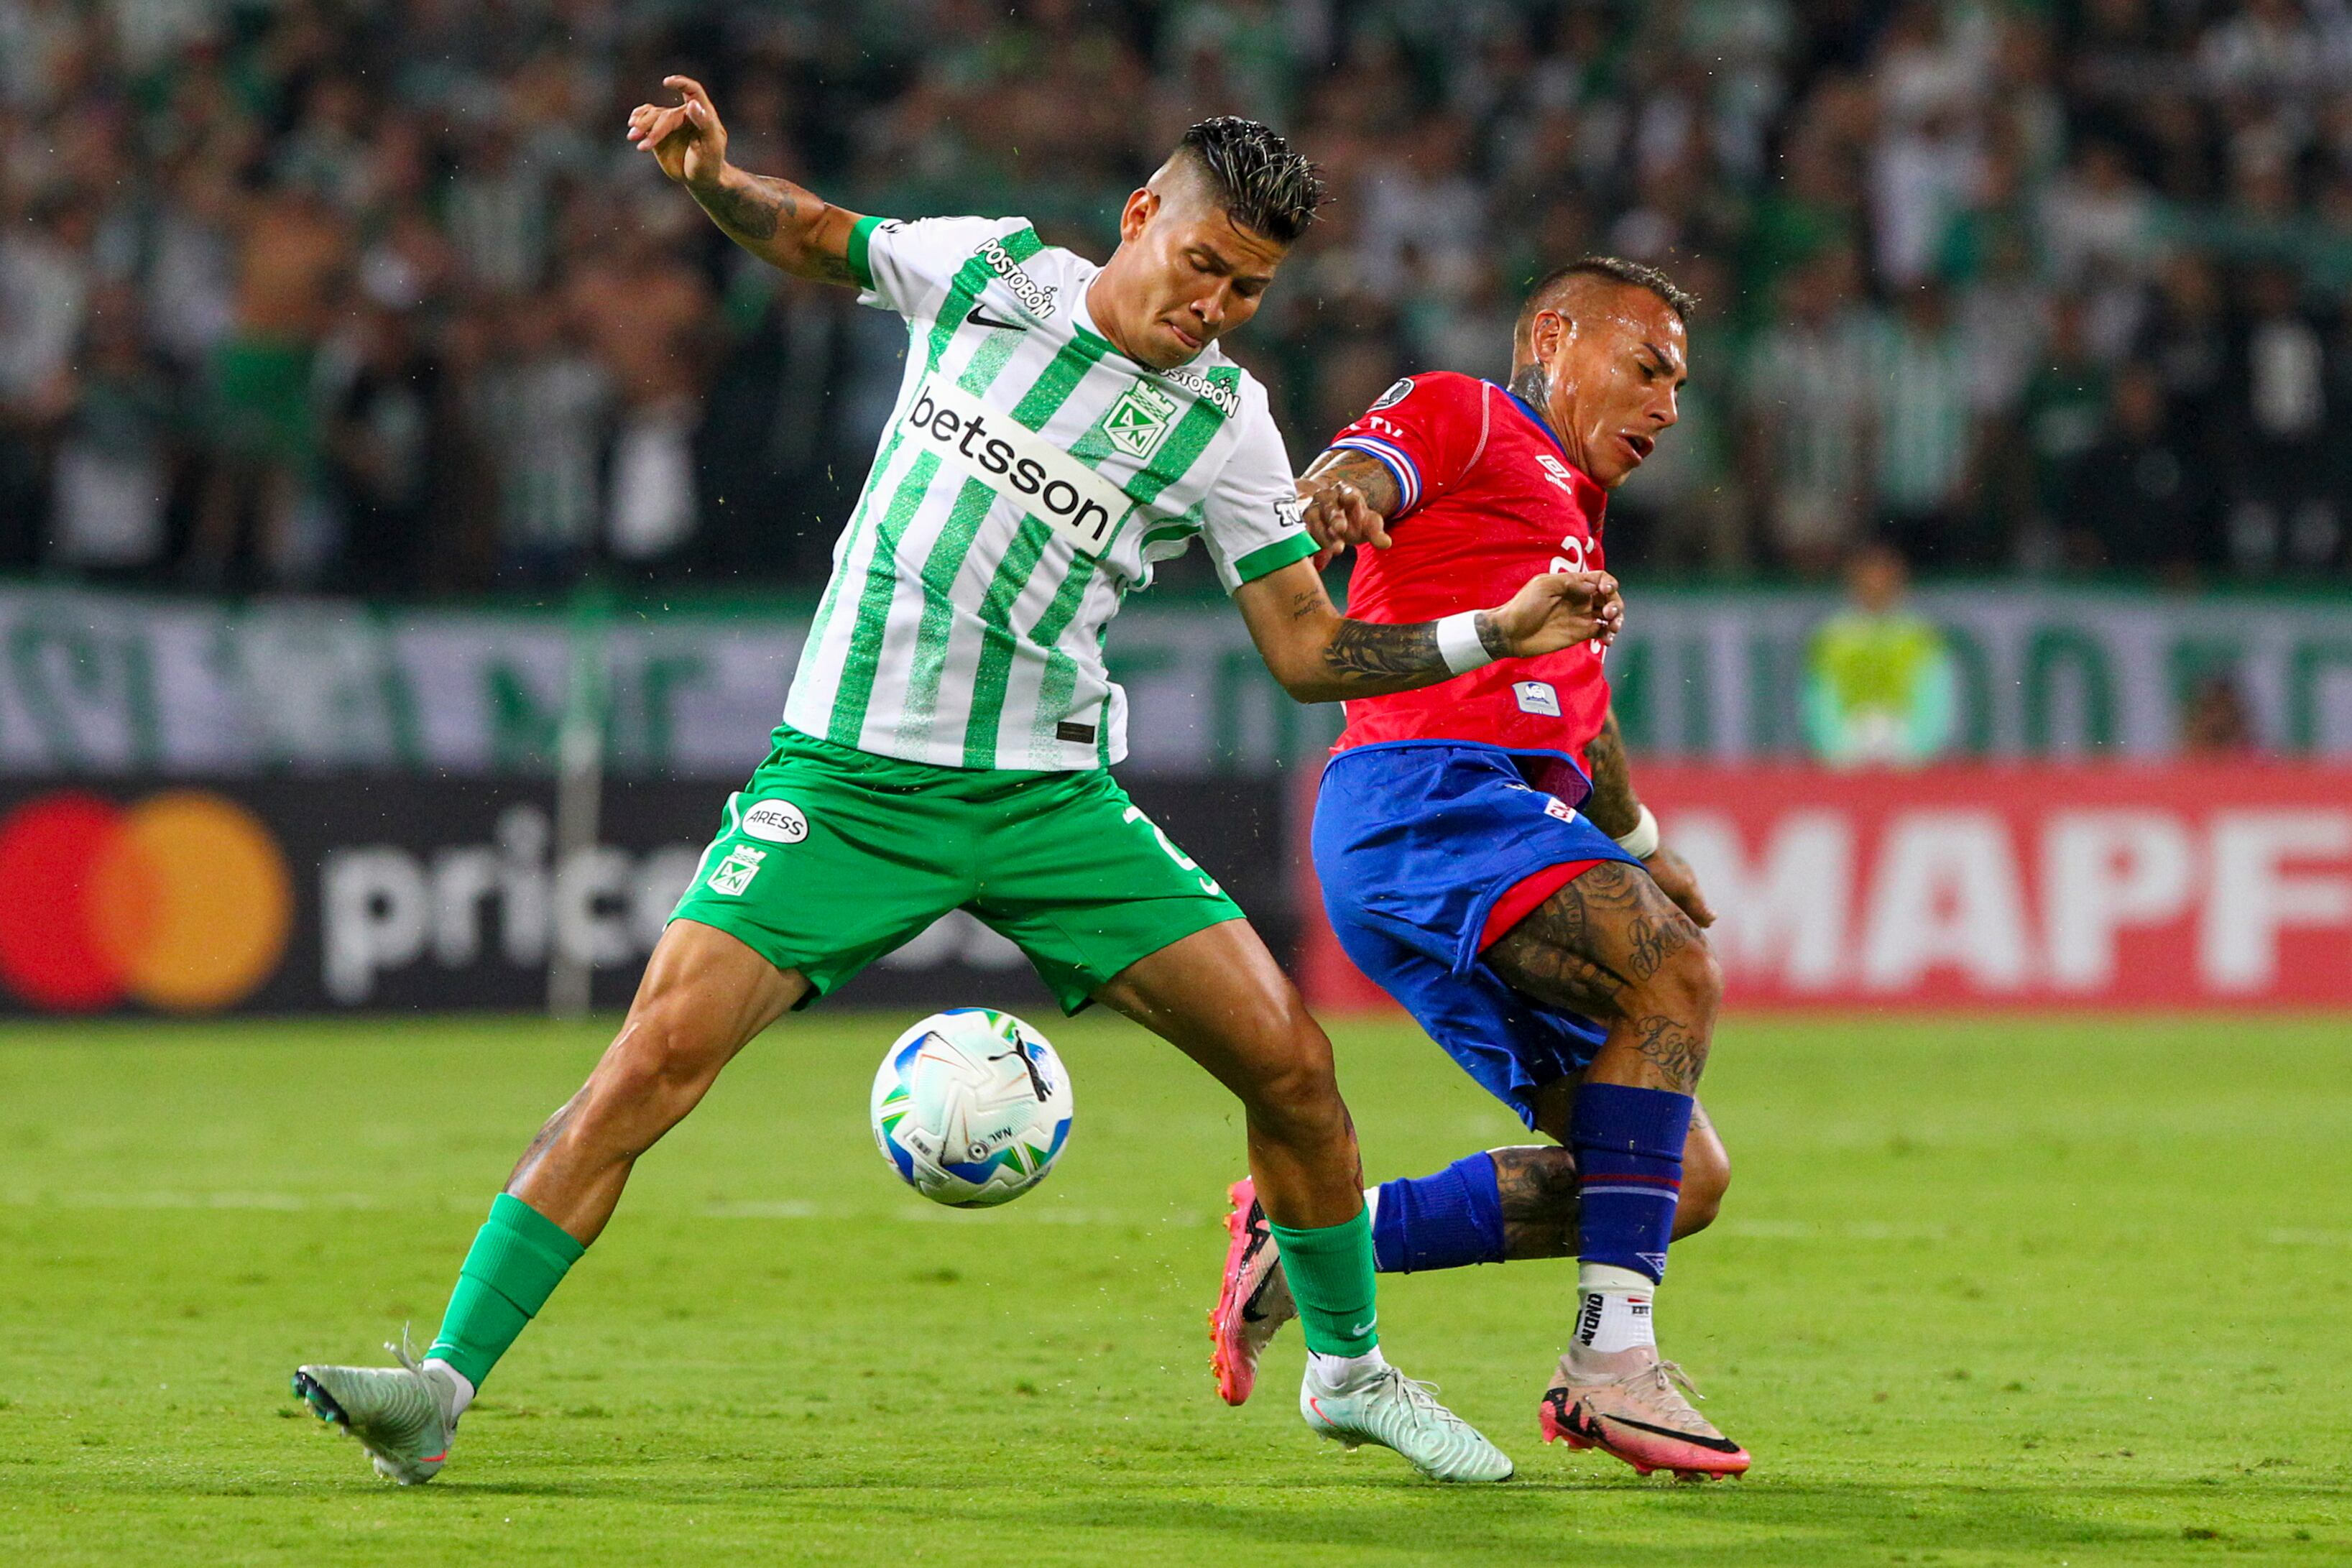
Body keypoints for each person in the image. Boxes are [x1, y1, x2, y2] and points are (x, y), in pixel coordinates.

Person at [290, 83, 1625, 1488]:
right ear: (1138, 219)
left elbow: (1305, 650)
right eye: (1203, 266)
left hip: (1049, 802)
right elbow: (808, 235)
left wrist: (1491, 630)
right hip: (848, 782)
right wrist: (708, 178)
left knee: (1292, 1066)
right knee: (646, 1066)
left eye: (1250, 287)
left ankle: (1347, 1371)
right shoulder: (988, 274)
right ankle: (438, 1385)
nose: (1218, 305)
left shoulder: (1228, 425)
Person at [1207, 257, 1751, 1480]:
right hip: (1426, 796)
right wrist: (1337, 494)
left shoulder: (1567, 515)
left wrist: (1643, 849)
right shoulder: (1466, 411)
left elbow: (1582, 725)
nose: (1668, 403)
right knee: (1676, 978)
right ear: (1555, 337)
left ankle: (1306, 1238)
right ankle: (1610, 1363)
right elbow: (1360, 471)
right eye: (1647, 366)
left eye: (1679, 384)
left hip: (1480, 828)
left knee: (1681, 1180)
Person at [1801, 541, 1957, 767]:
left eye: (1883, 577)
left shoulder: (1921, 637)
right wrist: (1840, 749)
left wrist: (1911, 749)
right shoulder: (1831, 638)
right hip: (1845, 762)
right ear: (1853, 581)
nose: (1875, 585)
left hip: (1908, 763)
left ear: (1898, 581)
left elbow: (1936, 701)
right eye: (1868, 577)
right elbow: (1819, 703)